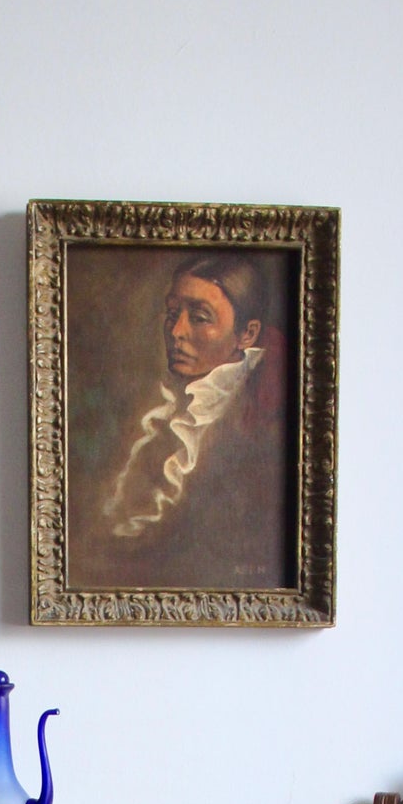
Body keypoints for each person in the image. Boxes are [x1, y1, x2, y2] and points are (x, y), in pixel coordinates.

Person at [86, 253, 286, 592]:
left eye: (200, 317)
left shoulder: (263, 422)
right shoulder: (171, 403)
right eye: (173, 313)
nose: (177, 331)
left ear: (247, 334)